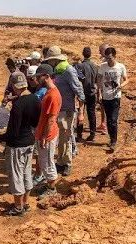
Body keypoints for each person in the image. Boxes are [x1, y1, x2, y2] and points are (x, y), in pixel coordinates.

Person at [0, 72, 40, 215]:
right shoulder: (35, 99)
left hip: (17, 146)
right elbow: (35, 122)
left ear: (14, 86)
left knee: (16, 175)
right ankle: (26, 203)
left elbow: (13, 132)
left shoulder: (17, 105)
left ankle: (18, 208)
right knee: (27, 173)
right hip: (29, 141)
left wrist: (1, 138)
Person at [41, 46, 84, 176]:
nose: (48, 62)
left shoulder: (68, 70)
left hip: (67, 110)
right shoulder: (56, 71)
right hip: (57, 109)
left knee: (66, 137)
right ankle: (60, 162)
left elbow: (79, 90)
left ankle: (67, 164)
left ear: (55, 60)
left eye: (50, 60)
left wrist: (81, 112)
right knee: (59, 138)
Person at [33, 64, 61, 197]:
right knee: (44, 161)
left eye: (39, 76)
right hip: (44, 132)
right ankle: (49, 184)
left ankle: (52, 189)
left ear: (47, 76)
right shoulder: (49, 92)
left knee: (48, 162)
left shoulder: (53, 95)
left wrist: (44, 136)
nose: (37, 79)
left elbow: (51, 119)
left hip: (48, 135)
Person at [96, 47, 127, 153]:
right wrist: (99, 93)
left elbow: (126, 79)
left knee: (113, 120)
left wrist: (121, 86)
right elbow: (99, 80)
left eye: (109, 58)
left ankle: (114, 142)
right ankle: (111, 138)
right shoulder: (102, 67)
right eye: (106, 58)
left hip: (116, 96)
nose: (108, 60)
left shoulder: (120, 67)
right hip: (105, 96)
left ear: (114, 56)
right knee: (109, 120)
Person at [75, 47, 100, 143]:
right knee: (91, 113)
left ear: (83, 54)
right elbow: (97, 80)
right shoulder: (95, 66)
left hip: (82, 92)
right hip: (92, 92)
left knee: (80, 112)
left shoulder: (80, 66)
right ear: (90, 54)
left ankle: (79, 134)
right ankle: (92, 133)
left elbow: (79, 78)